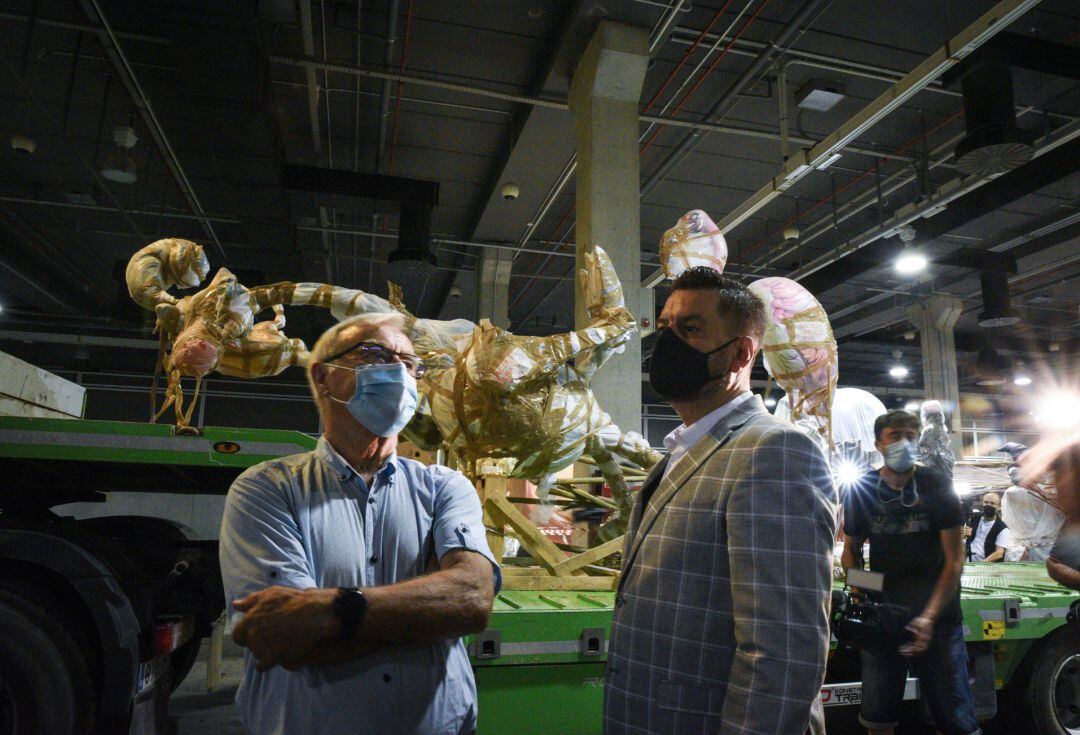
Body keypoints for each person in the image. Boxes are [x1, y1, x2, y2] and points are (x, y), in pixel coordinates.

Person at [219, 313, 501, 735]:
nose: (399, 374)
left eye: (409, 364)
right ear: (323, 378)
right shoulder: (267, 488)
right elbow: (283, 636)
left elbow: (472, 599)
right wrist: (427, 610)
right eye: (374, 354)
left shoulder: (444, 487)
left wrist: (331, 609)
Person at [604, 267, 838, 734]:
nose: (668, 342)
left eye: (689, 329)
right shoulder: (679, 451)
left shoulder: (774, 451)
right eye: (666, 326)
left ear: (740, 354)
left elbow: (782, 649)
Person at [842, 409, 978, 735]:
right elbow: (850, 552)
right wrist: (866, 595)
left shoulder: (938, 486)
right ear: (878, 444)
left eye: (910, 436)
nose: (904, 443)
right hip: (885, 621)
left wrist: (928, 618)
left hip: (940, 621)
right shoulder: (864, 488)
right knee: (878, 720)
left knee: (955, 721)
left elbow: (954, 561)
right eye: (895, 436)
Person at [964, 492, 1008, 562]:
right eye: (986, 502)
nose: (988, 505)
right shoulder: (973, 518)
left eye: (992, 503)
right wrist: (963, 535)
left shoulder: (1002, 528)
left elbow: (999, 553)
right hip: (968, 560)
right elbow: (963, 539)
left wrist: (981, 565)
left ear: (999, 507)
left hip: (986, 566)